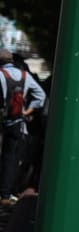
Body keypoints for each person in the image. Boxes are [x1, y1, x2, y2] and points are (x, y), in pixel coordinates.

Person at [0, 47, 47, 204]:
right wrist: (28, 110)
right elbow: (40, 95)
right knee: (11, 157)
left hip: (3, 120)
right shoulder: (24, 76)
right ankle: (6, 194)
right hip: (17, 122)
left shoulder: (0, 74)